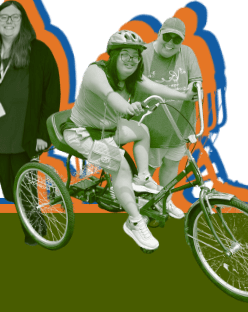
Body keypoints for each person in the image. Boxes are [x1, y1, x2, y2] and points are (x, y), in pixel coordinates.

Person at [65, 30, 193, 251]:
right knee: (121, 168)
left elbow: (155, 88)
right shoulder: (96, 71)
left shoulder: (132, 77)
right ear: (114, 55)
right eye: (125, 54)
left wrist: (184, 96)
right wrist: (127, 107)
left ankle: (143, 177)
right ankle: (134, 222)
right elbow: (110, 96)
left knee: (142, 129)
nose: (131, 60)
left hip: (110, 130)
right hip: (83, 133)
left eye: (135, 56)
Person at [0, 0, 60, 246]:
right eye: (3, 17)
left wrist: (42, 133)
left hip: (24, 134)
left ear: (23, 21)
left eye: (14, 17)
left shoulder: (39, 51)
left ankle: (35, 230)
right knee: (8, 188)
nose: (8, 21)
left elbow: (51, 95)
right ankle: (29, 218)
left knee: (25, 186)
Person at [136, 17, 202, 220]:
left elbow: (197, 80)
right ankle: (142, 206)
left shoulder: (187, 53)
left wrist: (194, 87)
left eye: (176, 39)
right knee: (148, 169)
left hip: (181, 124)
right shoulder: (144, 54)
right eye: (167, 37)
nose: (170, 43)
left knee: (172, 165)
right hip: (154, 126)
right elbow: (139, 83)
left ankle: (165, 200)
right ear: (160, 33)